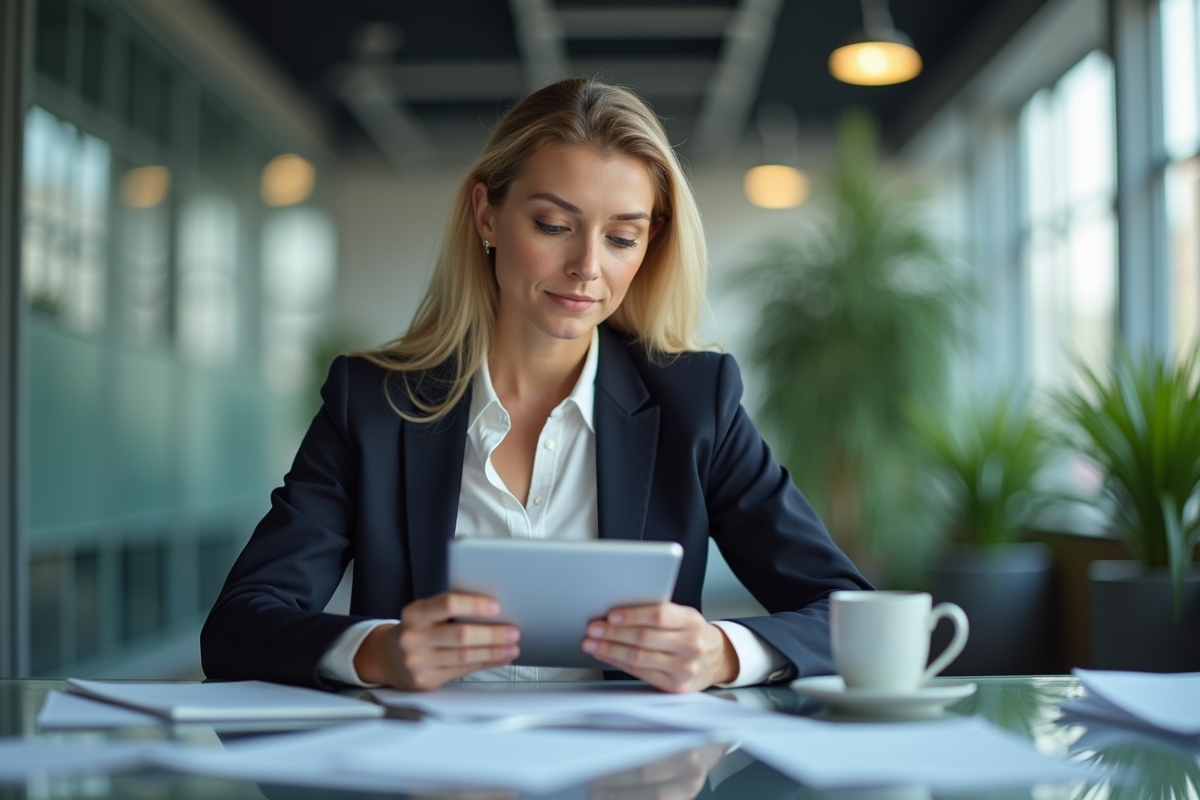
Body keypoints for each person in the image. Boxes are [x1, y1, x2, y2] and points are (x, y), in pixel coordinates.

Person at [201, 78, 871, 694]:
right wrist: (376, 652)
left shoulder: (696, 403)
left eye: (621, 236)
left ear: (651, 243)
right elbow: (238, 626)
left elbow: (850, 612)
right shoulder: (373, 402)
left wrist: (724, 652)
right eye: (553, 226)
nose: (586, 266)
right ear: (487, 215)